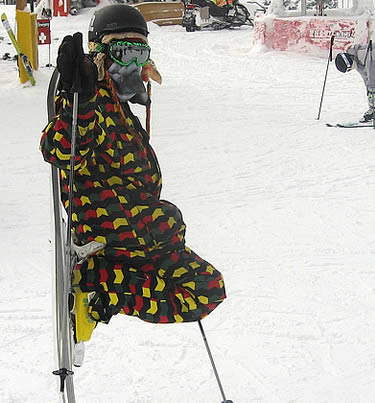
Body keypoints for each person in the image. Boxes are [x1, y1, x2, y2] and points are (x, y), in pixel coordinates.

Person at [40, 4, 226, 342]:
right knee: (202, 287)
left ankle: (101, 286)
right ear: (100, 53)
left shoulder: (120, 104)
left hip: (139, 235)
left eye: (141, 53)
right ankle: (99, 292)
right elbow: (59, 150)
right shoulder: (90, 97)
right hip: (120, 233)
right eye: (124, 52)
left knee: (206, 289)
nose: (134, 65)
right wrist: (80, 99)